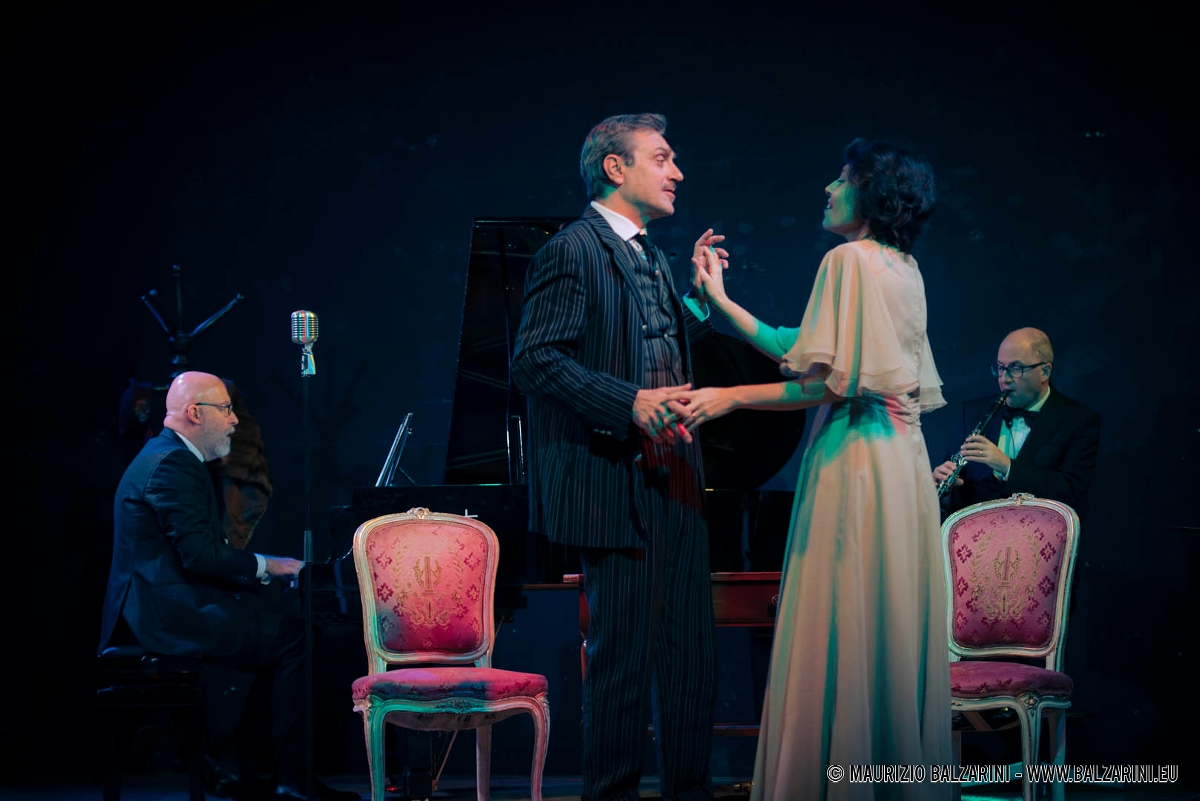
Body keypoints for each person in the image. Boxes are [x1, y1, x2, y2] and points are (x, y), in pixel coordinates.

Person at [679, 139, 951, 799]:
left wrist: (729, 396)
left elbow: (825, 384)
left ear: (871, 194)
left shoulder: (846, 260)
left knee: (844, 616)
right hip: (901, 464)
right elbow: (798, 347)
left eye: (843, 178)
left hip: (855, 459)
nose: (828, 188)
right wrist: (720, 299)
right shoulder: (903, 267)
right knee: (885, 618)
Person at [512, 113, 727, 801]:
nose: (677, 172)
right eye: (661, 158)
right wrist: (629, 402)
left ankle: (689, 792)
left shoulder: (651, 256)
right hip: (614, 479)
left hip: (678, 478)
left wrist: (700, 300)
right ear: (615, 167)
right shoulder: (572, 250)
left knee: (690, 656)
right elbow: (534, 358)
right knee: (623, 662)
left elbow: (648, 334)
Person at [98, 371, 359, 801]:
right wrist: (271, 566)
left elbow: (195, 553)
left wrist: (260, 575)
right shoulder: (171, 464)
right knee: (296, 640)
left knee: (289, 637)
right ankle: (289, 781)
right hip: (165, 616)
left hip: (168, 604)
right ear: (195, 413)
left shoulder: (168, 457)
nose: (235, 420)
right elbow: (199, 556)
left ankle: (249, 770)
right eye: (225, 409)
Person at [933, 327, 1101, 520]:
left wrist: (1007, 467)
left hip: (1041, 534)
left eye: (1016, 369)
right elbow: (962, 497)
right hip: (977, 535)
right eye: (1000, 368)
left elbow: (1071, 491)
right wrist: (945, 493)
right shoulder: (972, 413)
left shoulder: (1079, 420)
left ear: (1045, 372)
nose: (1004, 379)